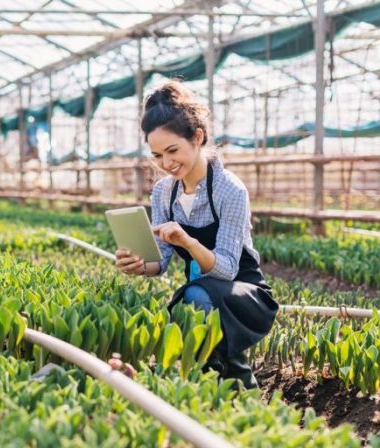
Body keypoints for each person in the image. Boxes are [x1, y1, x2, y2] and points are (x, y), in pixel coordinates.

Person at [114, 80, 278, 389]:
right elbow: (160, 262)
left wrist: (188, 242)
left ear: (198, 137)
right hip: (201, 290)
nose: (166, 163)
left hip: (242, 292)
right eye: (157, 155)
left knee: (195, 296)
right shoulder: (164, 192)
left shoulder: (230, 190)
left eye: (172, 150)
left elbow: (228, 270)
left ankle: (239, 384)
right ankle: (212, 386)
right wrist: (138, 264)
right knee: (193, 297)